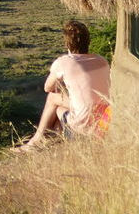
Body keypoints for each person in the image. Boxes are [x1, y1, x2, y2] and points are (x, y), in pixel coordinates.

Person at [16, 19, 110, 150]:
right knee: (63, 111)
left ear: (67, 43)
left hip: (81, 128)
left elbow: (48, 87)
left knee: (53, 99)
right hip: (102, 123)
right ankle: (50, 145)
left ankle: (34, 143)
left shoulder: (64, 62)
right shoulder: (102, 61)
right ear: (88, 41)